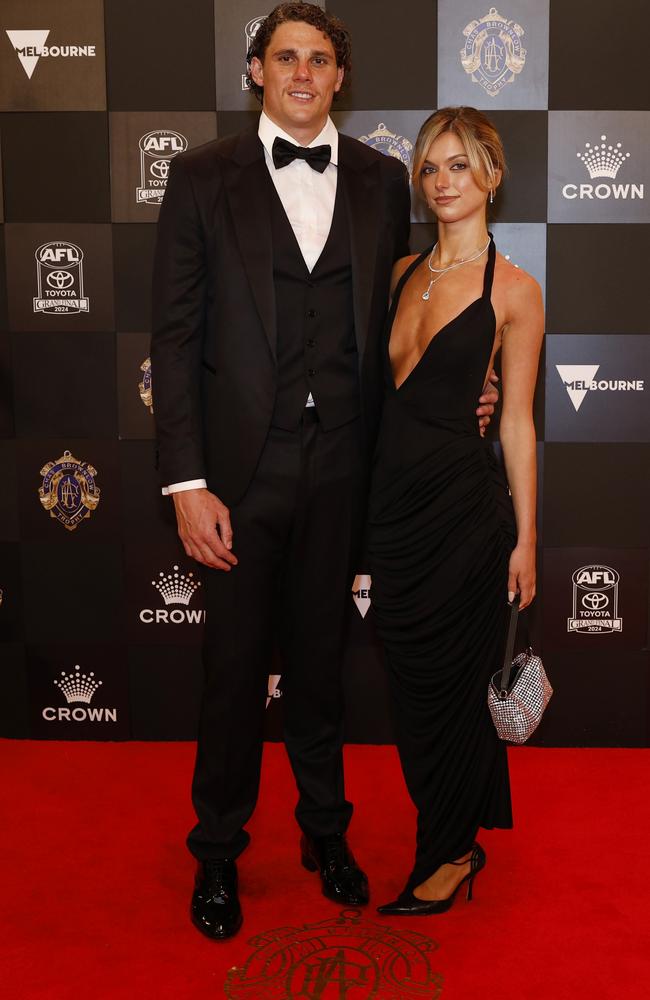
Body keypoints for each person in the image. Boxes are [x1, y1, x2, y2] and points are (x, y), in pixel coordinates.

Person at [151, 5, 497, 941]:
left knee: (320, 670)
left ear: (340, 77)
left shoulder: (387, 180)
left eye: (319, 59)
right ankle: (218, 852)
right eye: (285, 57)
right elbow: (175, 339)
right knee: (232, 675)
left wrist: (470, 381)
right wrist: (187, 483)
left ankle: (325, 835)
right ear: (257, 71)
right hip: (235, 479)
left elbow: (415, 311)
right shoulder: (199, 178)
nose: (302, 72)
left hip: (347, 467)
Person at [367, 107, 544, 916]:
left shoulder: (513, 290)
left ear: (492, 177)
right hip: (394, 515)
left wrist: (528, 539)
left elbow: (516, 419)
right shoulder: (402, 270)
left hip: (468, 519)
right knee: (411, 685)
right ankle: (451, 835)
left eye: (460, 167)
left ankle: (447, 853)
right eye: (431, 168)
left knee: (452, 686)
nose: (444, 183)